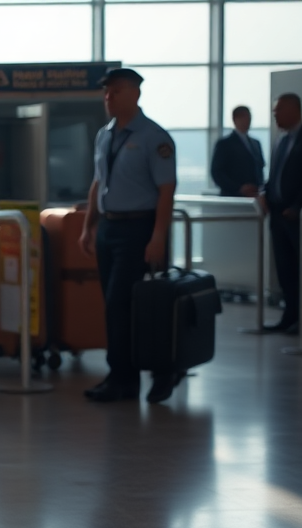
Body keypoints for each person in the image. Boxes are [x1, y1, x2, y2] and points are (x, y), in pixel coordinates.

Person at [78, 68, 178, 404]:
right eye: (106, 92)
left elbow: (166, 191)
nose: (108, 97)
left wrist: (158, 236)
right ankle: (124, 378)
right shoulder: (105, 134)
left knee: (127, 304)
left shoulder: (155, 137)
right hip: (110, 227)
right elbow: (97, 183)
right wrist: (89, 225)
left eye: (116, 91)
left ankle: (143, 374)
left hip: (140, 228)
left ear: (134, 94)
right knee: (114, 306)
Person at [263, 93, 302, 334]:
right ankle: (289, 316)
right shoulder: (280, 141)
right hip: (278, 216)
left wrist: (298, 206)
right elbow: (275, 176)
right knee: (285, 270)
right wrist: (264, 194)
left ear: (294, 110)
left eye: (278, 110)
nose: (275, 115)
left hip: (300, 218)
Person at [210, 105, 265, 198]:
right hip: (233, 196)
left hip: (255, 195)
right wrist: (238, 188)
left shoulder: (256, 143)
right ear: (235, 119)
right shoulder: (224, 144)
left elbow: (260, 167)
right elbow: (217, 172)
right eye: (244, 117)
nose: (248, 120)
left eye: (249, 117)